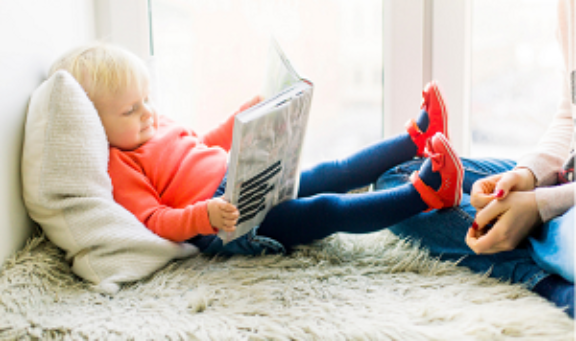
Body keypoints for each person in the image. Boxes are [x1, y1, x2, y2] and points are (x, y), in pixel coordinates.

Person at [49, 43, 464, 257]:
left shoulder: (154, 125)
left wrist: (241, 120)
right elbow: (156, 220)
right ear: (95, 124)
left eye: (146, 99)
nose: (147, 113)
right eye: (130, 109)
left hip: (246, 178)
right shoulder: (119, 165)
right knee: (326, 209)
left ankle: (415, 139)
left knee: (330, 170)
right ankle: (425, 193)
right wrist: (204, 216)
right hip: (231, 223)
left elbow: (201, 144)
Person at [376, 0, 575, 317]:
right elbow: (570, 116)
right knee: (400, 185)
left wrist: (539, 207)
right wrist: (527, 176)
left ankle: (544, 281)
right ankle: (546, 258)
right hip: (566, 179)